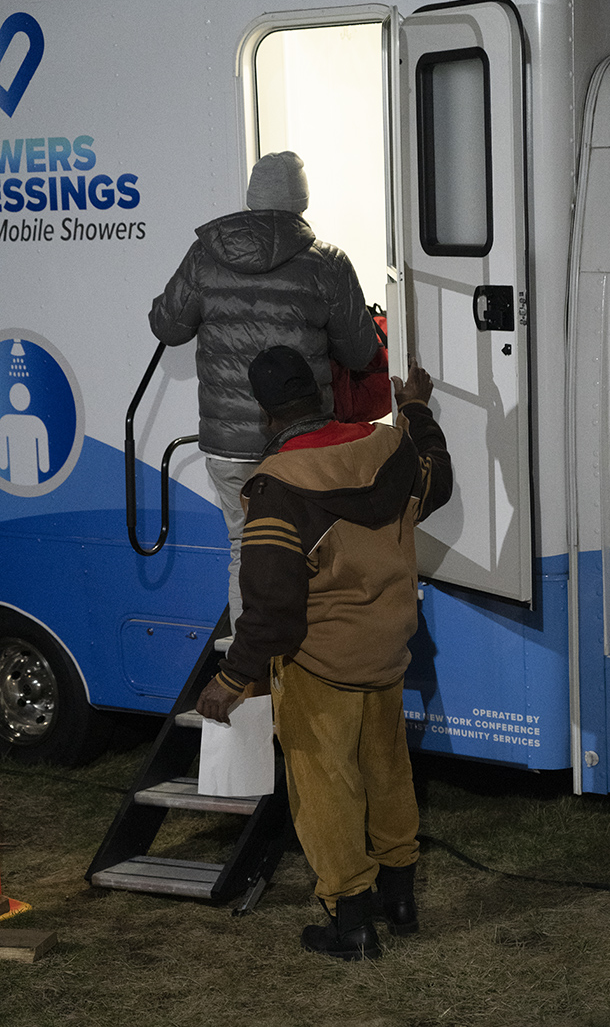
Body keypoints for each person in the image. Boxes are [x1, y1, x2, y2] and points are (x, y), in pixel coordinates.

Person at [196, 346, 453, 961]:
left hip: (321, 663)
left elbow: (274, 611)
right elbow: (436, 479)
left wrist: (232, 680)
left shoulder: (276, 487)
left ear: (265, 414)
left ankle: (352, 923)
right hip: (388, 650)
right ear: (317, 394)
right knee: (388, 771)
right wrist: (415, 410)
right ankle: (400, 898)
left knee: (328, 790)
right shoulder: (387, 447)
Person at [148, 151, 379, 628]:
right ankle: (303, 674)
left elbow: (166, 327)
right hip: (302, 441)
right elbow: (360, 354)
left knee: (245, 550)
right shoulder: (327, 263)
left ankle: (246, 673)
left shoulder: (205, 256)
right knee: (310, 548)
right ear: (302, 200)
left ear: (253, 196)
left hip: (230, 447)